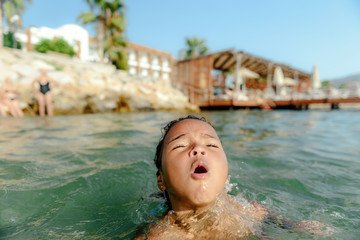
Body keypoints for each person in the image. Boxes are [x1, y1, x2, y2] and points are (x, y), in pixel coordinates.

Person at [137, 115, 332, 239]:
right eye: (180, 146)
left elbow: (270, 215)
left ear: (225, 171)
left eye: (211, 145)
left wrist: (298, 226)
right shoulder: (157, 236)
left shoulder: (247, 211)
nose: (198, 149)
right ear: (161, 179)